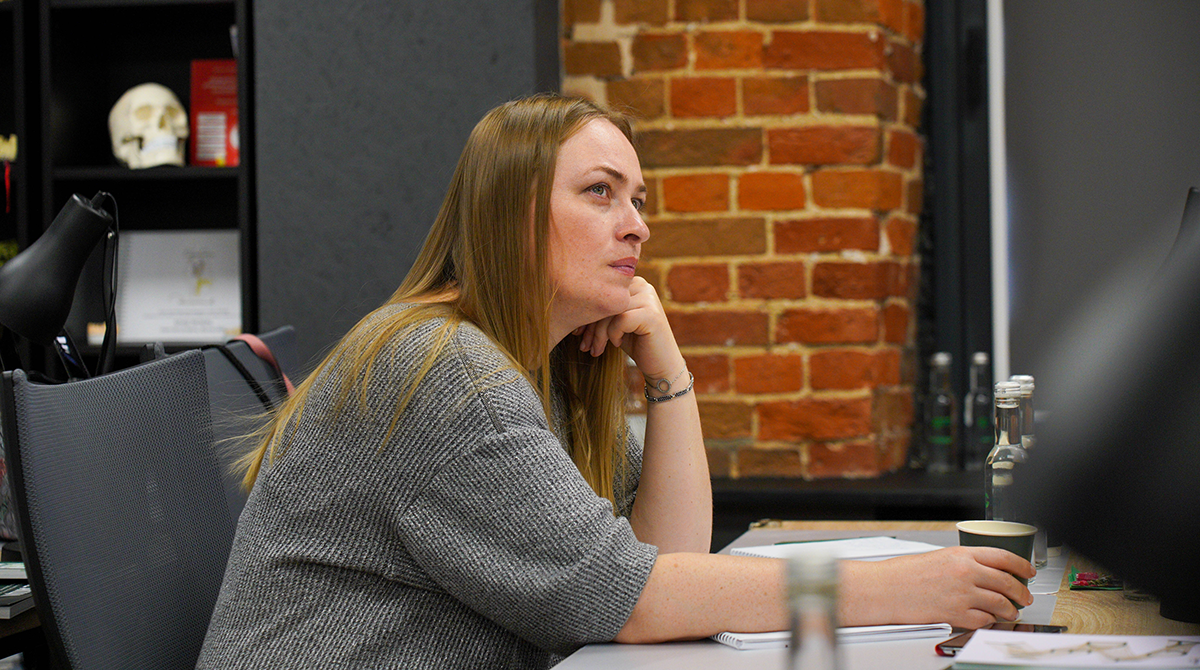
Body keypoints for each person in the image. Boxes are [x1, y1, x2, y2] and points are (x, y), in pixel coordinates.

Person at [195, 93, 1033, 669]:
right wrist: (903, 588)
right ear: (512, 216)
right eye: (601, 193)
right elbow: (633, 600)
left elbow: (666, 562)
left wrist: (667, 375)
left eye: (638, 200)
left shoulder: (546, 366)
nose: (636, 226)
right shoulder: (443, 368)